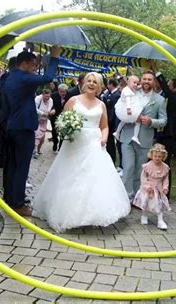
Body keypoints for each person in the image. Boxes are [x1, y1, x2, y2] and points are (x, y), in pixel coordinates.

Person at [33, 72, 130, 232]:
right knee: (71, 177)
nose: (91, 84)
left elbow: (104, 126)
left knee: (93, 178)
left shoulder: (101, 105)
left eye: (95, 82)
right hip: (74, 144)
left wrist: (104, 138)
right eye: (89, 81)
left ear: (99, 86)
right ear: (84, 83)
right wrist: (67, 130)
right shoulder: (73, 100)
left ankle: (90, 214)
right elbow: (61, 121)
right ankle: (67, 212)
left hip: (94, 144)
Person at [3, 48, 59, 216]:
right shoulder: (23, 77)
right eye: (33, 65)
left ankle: (10, 198)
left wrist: (42, 60)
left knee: (12, 166)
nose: (35, 68)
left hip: (11, 126)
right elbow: (48, 78)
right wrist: (54, 57)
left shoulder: (10, 77)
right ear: (24, 64)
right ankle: (18, 204)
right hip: (24, 127)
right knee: (22, 167)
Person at [121, 70, 167, 200]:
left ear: (154, 82)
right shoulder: (131, 93)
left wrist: (151, 121)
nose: (146, 81)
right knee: (128, 167)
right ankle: (125, 197)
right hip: (128, 136)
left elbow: (164, 120)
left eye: (149, 79)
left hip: (145, 139)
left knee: (140, 171)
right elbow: (120, 109)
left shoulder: (160, 100)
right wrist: (130, 117)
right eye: (144, 79)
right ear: (141, 80)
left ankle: (137, 197)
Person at [154, 70, 176, 199]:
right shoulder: (168, 98)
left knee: (166, 164)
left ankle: (166, 193)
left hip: (169, 136)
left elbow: (167, 92)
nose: (167, 85)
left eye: (169, 84)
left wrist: (159, 74)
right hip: (161, 134)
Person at [133, 143, 170, 230]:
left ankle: (160, 220)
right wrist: (146, 186)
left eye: (159, 156)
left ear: (163, 157)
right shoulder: (147, 166)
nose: (157, 158)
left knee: (159, 205)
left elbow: (165, 179)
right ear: (152, 155)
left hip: (158, 189)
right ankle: (144, 215)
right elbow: (143, 177)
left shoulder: (165, 167)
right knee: (146, 203)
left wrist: (165, 187)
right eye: (155, 156)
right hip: (148, 189)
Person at [113, 75, 143, 145]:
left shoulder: (130, 88)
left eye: (137, 83)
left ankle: (117, 132)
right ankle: (135, 136)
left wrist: (141, 86)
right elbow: (128, 100)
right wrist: (128, 109)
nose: (135, 85)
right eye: (134, 83)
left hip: (125, 108)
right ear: (129, 83)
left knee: (123, 121)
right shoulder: (127, 90)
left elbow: (137, 88)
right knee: (137, 121)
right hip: (126, 108)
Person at [102, 78, 121, 164]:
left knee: (111, 143)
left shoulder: (116, 95)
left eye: (108, 84)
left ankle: (112, 158)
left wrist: (109, 121)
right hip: (109, 120)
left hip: (112, 122)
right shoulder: (110, 94)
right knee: (109, 142)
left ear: (111, 84)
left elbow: (114, 110)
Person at [33, 89, 53, 157]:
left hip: (44, 120)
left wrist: (50, 112)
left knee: (42, 136)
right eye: (46, 96)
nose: (47, 98)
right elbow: (34, 108)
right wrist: (43, 113)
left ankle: (38, 149)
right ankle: (35, 150)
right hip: (36, 119)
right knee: (37, 134)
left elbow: (50, 109)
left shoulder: (50, 100)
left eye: (48, 96)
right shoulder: (38, 98)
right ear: (43, 94)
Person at [49, 83, 68, 153]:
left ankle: (60, 147)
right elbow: (50, 105)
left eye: (64, 92)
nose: (63, 93)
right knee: (54, 132)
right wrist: (53, 109)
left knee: (63, 133)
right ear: (58, 90)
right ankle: (55, 142)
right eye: (61, 92)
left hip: (64, 117)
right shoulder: (53, 95)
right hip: (55, 116)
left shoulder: (69, 96)